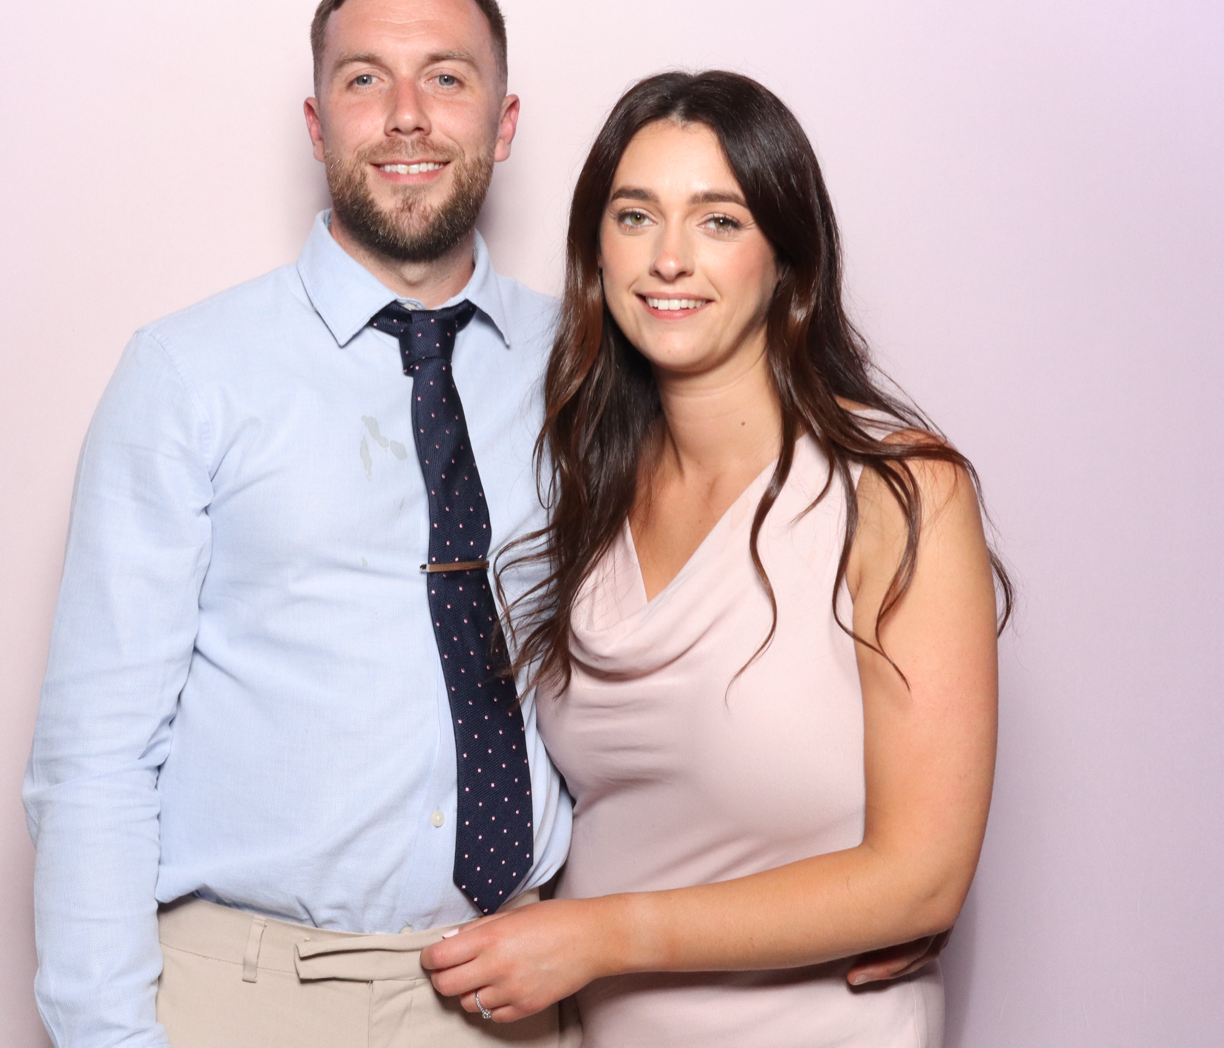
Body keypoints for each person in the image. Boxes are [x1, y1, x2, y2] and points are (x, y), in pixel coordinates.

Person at [21, 0, 576, 1048]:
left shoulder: (584, 369)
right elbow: (95, 755)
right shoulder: (187, 373)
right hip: (244, 998)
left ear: (504, 122)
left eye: (446, 76)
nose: (407, 115)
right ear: (318, 126)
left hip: (512, 990)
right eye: (366, 79)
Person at [420, 71, 1008, 1047]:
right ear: (596, 251)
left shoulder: (897, 491)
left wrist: (598, 936)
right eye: (635, 216)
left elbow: (922, 877)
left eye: (719, 220)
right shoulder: (585, 486)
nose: (669, 258)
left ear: (788, 259)